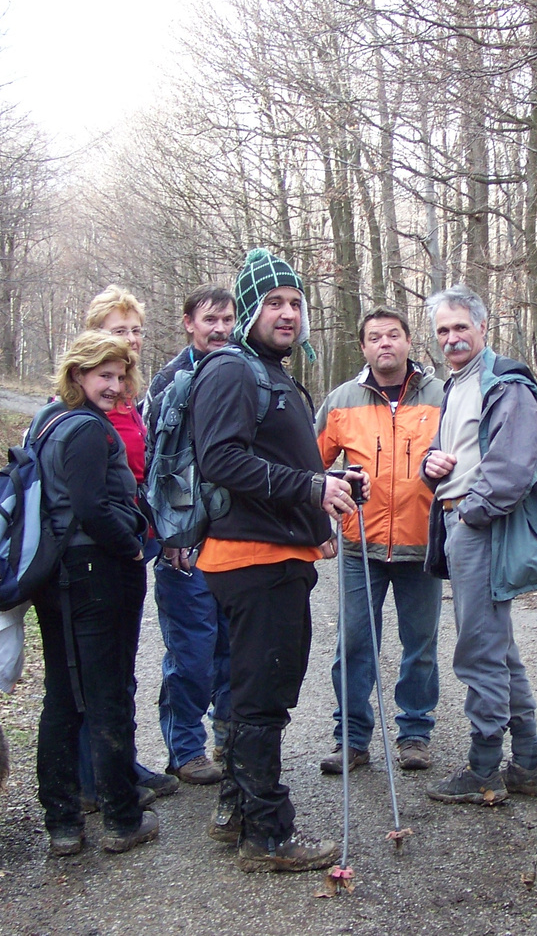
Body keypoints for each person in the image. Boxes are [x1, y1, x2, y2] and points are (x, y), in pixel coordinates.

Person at [191, 248, 368, 873]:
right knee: (263, 697)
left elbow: (276, 466)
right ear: (247, 309)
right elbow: (220, 460)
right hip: (253, 561)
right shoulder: (233, 371)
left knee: (256, 693)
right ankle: (268, 836)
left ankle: (240, 811)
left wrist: (329, 478)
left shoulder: (271, 373)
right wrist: (312, 488)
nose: (288, 313)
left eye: (295, 302)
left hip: (276, 557)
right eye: (273, 302)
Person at [418, 285, 537, 805]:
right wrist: (430, 466)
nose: (452, 338)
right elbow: (456, 454)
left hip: (480, 526)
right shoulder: (456, 385)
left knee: (479, 650)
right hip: (461, 520)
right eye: (443, 330)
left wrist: (470, 513)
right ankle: (528, 762)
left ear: (483, 328)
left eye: (461, 327)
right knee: (498, 647)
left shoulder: (506, 384)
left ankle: (484, 768)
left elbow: (513, 467)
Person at [33, 331, 160, 856]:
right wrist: (131, 546)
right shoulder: (87, 428)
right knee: (105, 695)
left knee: (63, 694)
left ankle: (62, 823)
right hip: (95, 573)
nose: (113, 386)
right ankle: (121, 819)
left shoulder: (47, 422)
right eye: (102, 375)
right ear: (78, 375)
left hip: (55, 573)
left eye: (120, 376)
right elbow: (89, 505)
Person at [315, 308, 445, 776]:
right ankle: (351, 738)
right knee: (352, 644)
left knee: (420, 644)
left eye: (393, 334)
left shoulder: (442, 395)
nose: (384, 343)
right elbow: (309, 465)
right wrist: (331, 485)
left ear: (409, 342)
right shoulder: (341, 400)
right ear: (364, 348)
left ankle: (415, 733)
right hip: (358, 545)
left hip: (422, 545)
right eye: (374, 337)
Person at [78, 287, 181, 804]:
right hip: (100, 553)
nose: (132, 339)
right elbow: (87, 495)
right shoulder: (80, 405)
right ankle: (93, 780)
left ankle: (121, 766)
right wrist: (127, 543)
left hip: (129, 542)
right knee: (92, 671)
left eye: (136, 330)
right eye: (119, 331)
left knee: (120, 668)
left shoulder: (130, 398)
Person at [143, 286, 238, 787]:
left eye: (227, 319)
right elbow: (153, 470)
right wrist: (167, 536)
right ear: (188, 323)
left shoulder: (240, 371)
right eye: (210, 320)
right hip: (182, 545)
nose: (219, 329)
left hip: (232, 538)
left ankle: (227, 736)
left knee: (232, 646)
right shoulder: (166, 384)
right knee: (192, 652)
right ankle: (185, 748)